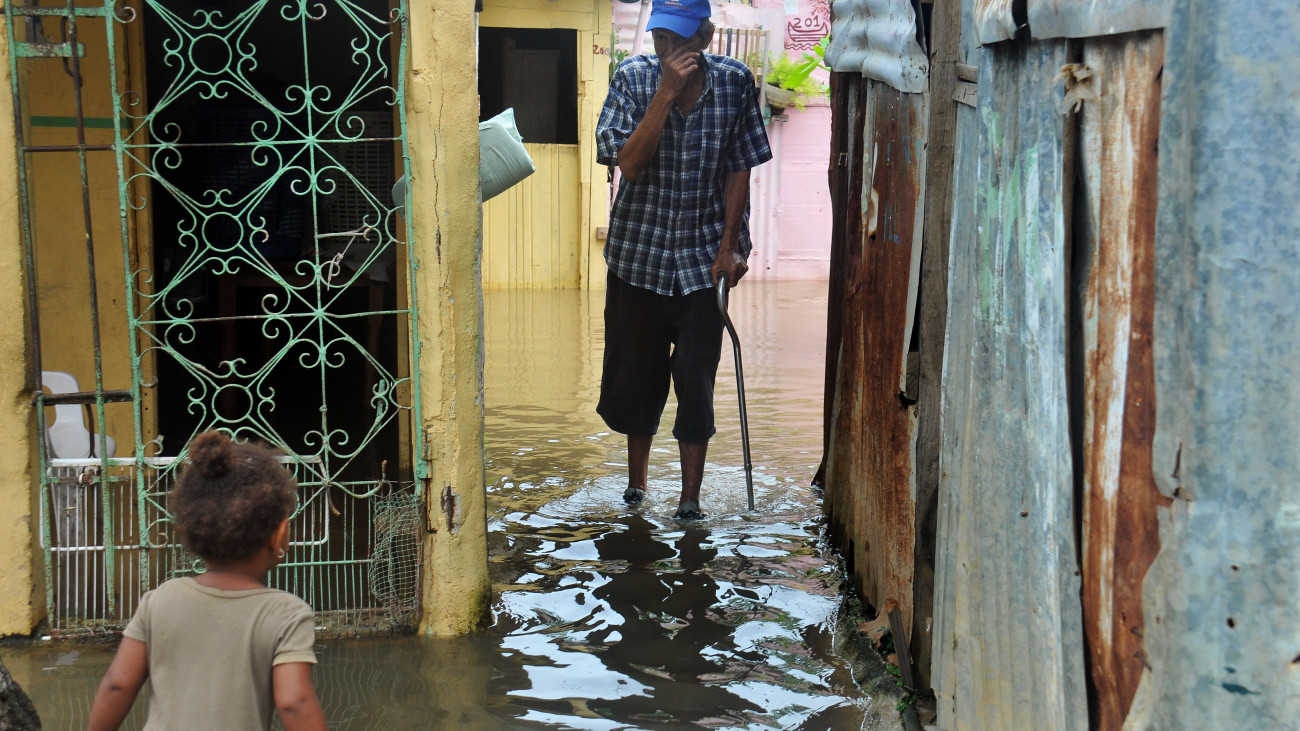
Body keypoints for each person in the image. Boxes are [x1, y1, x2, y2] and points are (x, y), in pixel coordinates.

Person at [595, 0, 772, 520]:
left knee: (696, 383)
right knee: (635, 381)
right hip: (638, 258)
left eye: (679, 39)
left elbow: (740, 166)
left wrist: (730, 246)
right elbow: (628, 163)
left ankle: (690, 501)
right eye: (660, 39)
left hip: (703, 264)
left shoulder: (735, 83)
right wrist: (665, 94)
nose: (668, 50)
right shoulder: (632, 79)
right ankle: (636, 487)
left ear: (706, 36)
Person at [87, 431, 326, 731]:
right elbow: (294, 703)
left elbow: (117, 685)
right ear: (278, 535)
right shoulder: (287, 613)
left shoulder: (160, 599)